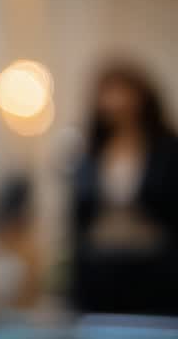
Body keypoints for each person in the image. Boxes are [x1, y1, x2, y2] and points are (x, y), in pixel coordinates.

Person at [70, 62, 178, 316]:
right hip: (101, 267)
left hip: (154, 268)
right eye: (108, 92)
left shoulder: (167, 150)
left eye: (122, 90)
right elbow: (78, 217)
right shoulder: (91, 151)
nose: (116, 101)